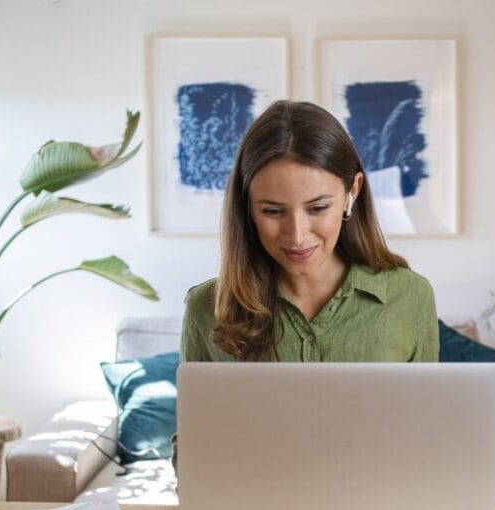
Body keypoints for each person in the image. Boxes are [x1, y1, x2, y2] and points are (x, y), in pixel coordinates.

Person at [180, 100, 439, 365]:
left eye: (318, 208)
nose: (297, 236)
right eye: (272, 211)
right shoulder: (204, 309)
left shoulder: (410, 297)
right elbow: (198, 407)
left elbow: (426, 407)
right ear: (247, 208)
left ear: (352, 192)